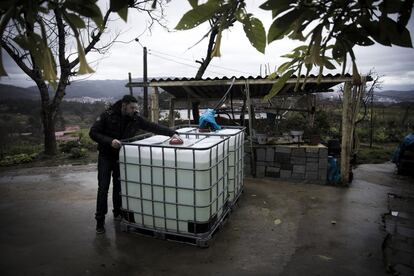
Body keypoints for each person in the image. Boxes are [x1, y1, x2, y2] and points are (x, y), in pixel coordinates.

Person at [89, 95, 178, 234]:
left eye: (137, 108)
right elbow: (93, 133)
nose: (135, 111)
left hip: (121, 156)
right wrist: (110, 141)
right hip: (106, 156)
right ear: (124, 105)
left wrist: (172, 133)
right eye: (132, 108)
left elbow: (153, 126)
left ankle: (118, 212)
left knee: (119, 186)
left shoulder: (136, 118)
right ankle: (99, 221)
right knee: (103, 188)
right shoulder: (108, 115)